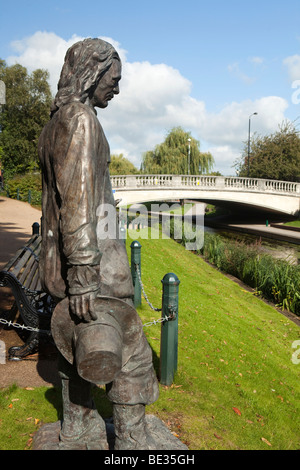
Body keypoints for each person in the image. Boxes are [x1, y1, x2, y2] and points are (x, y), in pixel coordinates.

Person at [38, 38, 159, 450]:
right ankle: (131, 440)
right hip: (94, 270)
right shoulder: (80, 121)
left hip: (68, 269)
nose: (118, 89)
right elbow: (77, 201)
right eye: (114, 78)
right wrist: (86, 273)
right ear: (94, 72)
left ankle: (78, 428)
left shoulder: (56, 122)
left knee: (78, 343)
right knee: (133, 357)